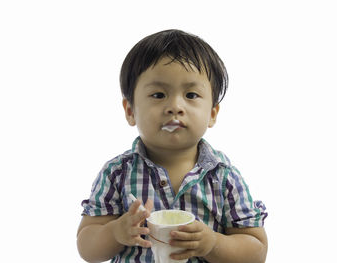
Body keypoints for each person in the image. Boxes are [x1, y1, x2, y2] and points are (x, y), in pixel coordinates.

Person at [77, 29, 268, 263]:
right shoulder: (117, 174)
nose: (175, 106)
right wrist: (116, 231)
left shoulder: (225, 177)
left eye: (191, 94)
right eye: (158, 95)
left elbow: (256, 251)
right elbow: (87, 246)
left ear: (212, 113)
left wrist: (213, 243)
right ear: (130, 111)